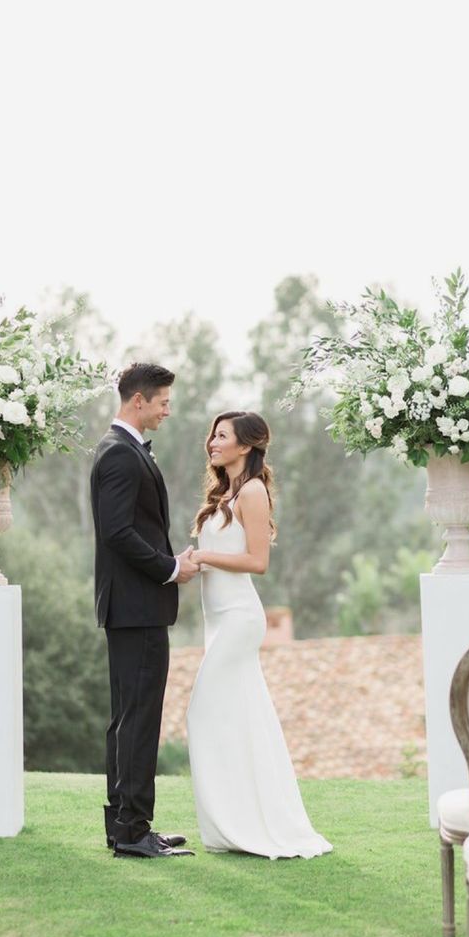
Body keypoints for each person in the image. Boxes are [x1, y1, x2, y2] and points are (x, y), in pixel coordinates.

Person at [186, 411, 332, 860]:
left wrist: (204, 555)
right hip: (218, 620)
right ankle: (236, 823)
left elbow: (257, 561)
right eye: (213, 434)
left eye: (222, 435)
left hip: (239, 618)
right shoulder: (223, 493)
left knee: (202, 712)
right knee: (238, 718)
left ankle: (246, 822)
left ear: (245, 446)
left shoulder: (251, 492)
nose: (213, 441)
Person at [90, 361, 197, 859]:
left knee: (128, 718)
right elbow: (117, 533)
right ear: (139, 400)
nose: (167, 410)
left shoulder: (122, 450)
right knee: (138, 719)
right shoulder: (119, 454)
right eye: (162, 402)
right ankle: (132, 830)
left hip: (133, 608)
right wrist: (170, 569)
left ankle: (125, 826)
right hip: (137, 607)